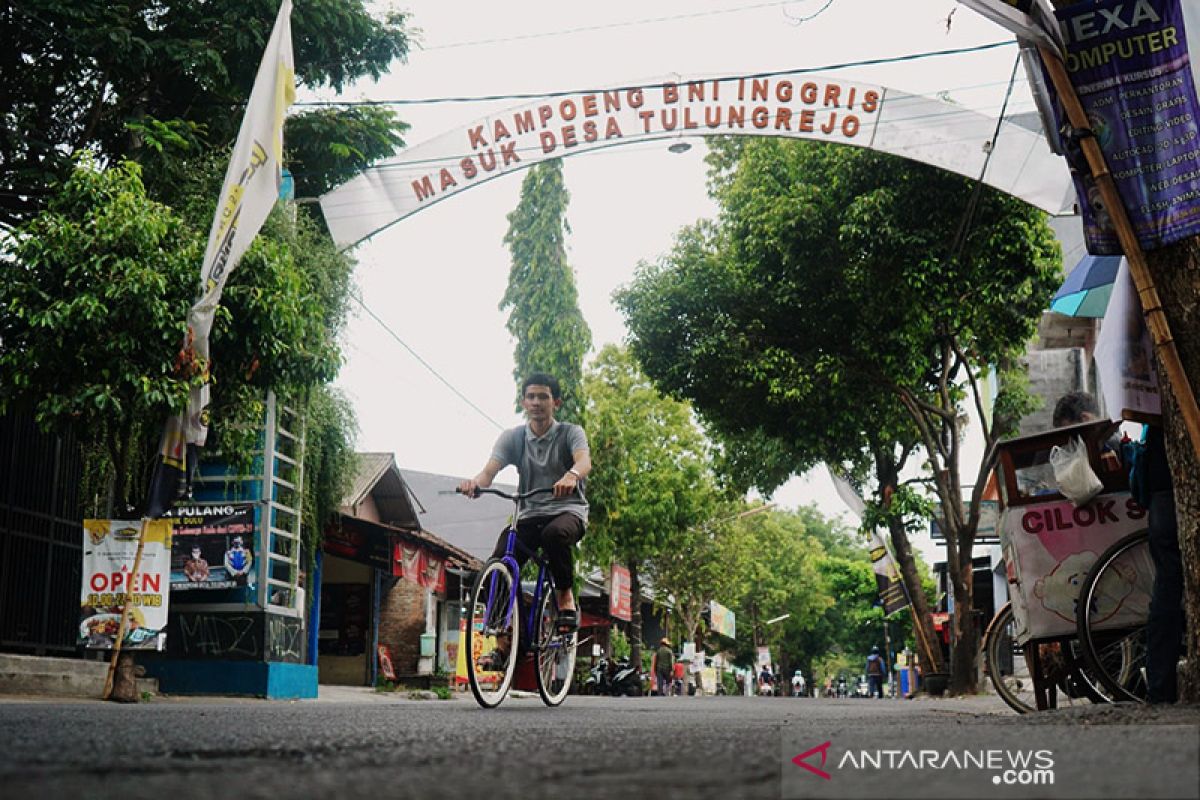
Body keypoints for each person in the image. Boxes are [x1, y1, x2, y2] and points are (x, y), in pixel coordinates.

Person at [460, 373, 591, 642]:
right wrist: (475, 484)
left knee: (553, 535)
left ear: (556, 402)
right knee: (498, 563)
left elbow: (584, 461)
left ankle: (565, 597)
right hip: (529, 514)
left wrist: (571, 476)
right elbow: (488, 473)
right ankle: (502, 637)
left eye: (543, 396)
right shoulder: (514, 438)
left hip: (568, 512)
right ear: (523, 402)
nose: (536, 402)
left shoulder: (570, 433)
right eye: (530, 397)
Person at [1142, 423, 1183, 703]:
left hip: (1159, 488)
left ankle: (1160, 686)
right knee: (1169, 587)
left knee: (1167, 588)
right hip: (1169, 486)